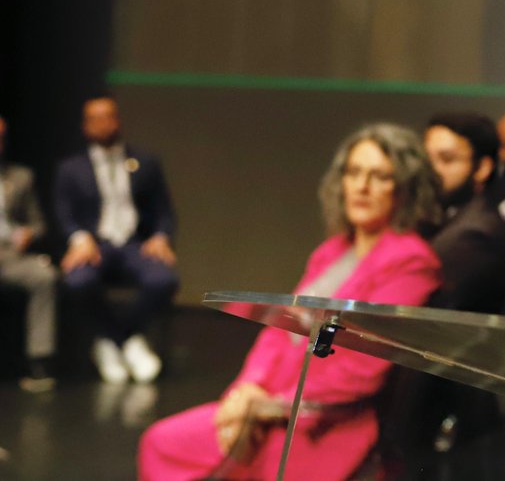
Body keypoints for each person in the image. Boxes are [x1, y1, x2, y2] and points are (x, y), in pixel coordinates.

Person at [138, 123, 440, 481]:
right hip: (268, 405)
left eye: (380, 176)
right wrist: (246, 390)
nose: (362, 187)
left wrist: (272, 405)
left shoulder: (410, 261)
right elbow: (279, 332)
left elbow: (362, 369)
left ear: (405, 188)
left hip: (327, 423)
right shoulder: (331, 252)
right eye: (354, 172)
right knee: (162, 441)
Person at [54, 96, 179, 385]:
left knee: (163, 280)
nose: (102, 123)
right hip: (95, 246)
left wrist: (161, 236)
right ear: (85, 126)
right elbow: (64, 212)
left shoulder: (145, 163)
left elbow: (164, 211)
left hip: (135, 244)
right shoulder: (71, 169)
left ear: (117, 120)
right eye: (94, 118)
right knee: (78, 281)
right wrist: (78, 238)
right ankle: (120, 341)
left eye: (107, 116)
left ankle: (116, 338)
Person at [422, 112, 505, 314]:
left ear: (482, 167)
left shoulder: (476, 236)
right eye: (426, 159)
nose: (431, 170)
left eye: (446, 159)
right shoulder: (444, 216)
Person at [1, 114, 58, 391]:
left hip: (11, 254)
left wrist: (29, 234)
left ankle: (39, 360)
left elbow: (38, 223)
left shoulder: (21, 177)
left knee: (43, 276)